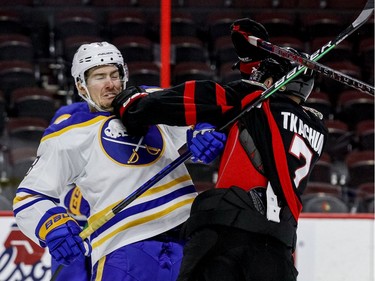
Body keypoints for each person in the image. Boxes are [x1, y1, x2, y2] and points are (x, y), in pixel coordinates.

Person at [111, 18, 329, 281]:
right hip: (279, 247)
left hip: (225, 235)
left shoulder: (248, 100)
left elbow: (168, 104)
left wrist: (129, 102)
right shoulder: (317, 129)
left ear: (270, 82)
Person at [12, 41, 226, 281]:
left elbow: (199, 121)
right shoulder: (67, 134)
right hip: (124, 249)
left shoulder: (151, 102)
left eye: (115, 74)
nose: (110, 84)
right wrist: (52, 225)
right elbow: (30, 196)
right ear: (81, 86)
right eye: (99, 77)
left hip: (188, 240)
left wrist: (204, 133)